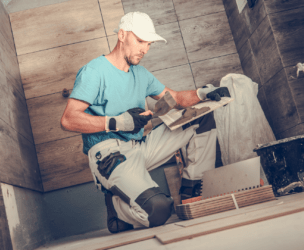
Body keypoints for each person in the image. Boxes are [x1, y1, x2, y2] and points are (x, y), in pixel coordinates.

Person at [60, 12, 230, 233]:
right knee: (158, 210)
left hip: (141, 147)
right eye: (140, 41)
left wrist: (203, 94)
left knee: (201, 117)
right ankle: (115, 206)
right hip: (110, 154)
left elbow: (175, 99)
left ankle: (192, 190)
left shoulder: (141, 74)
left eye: (148, 44)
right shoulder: (94, 71)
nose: (145, 49)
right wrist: (118, 122)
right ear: (122, 35)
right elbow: (68, 119)